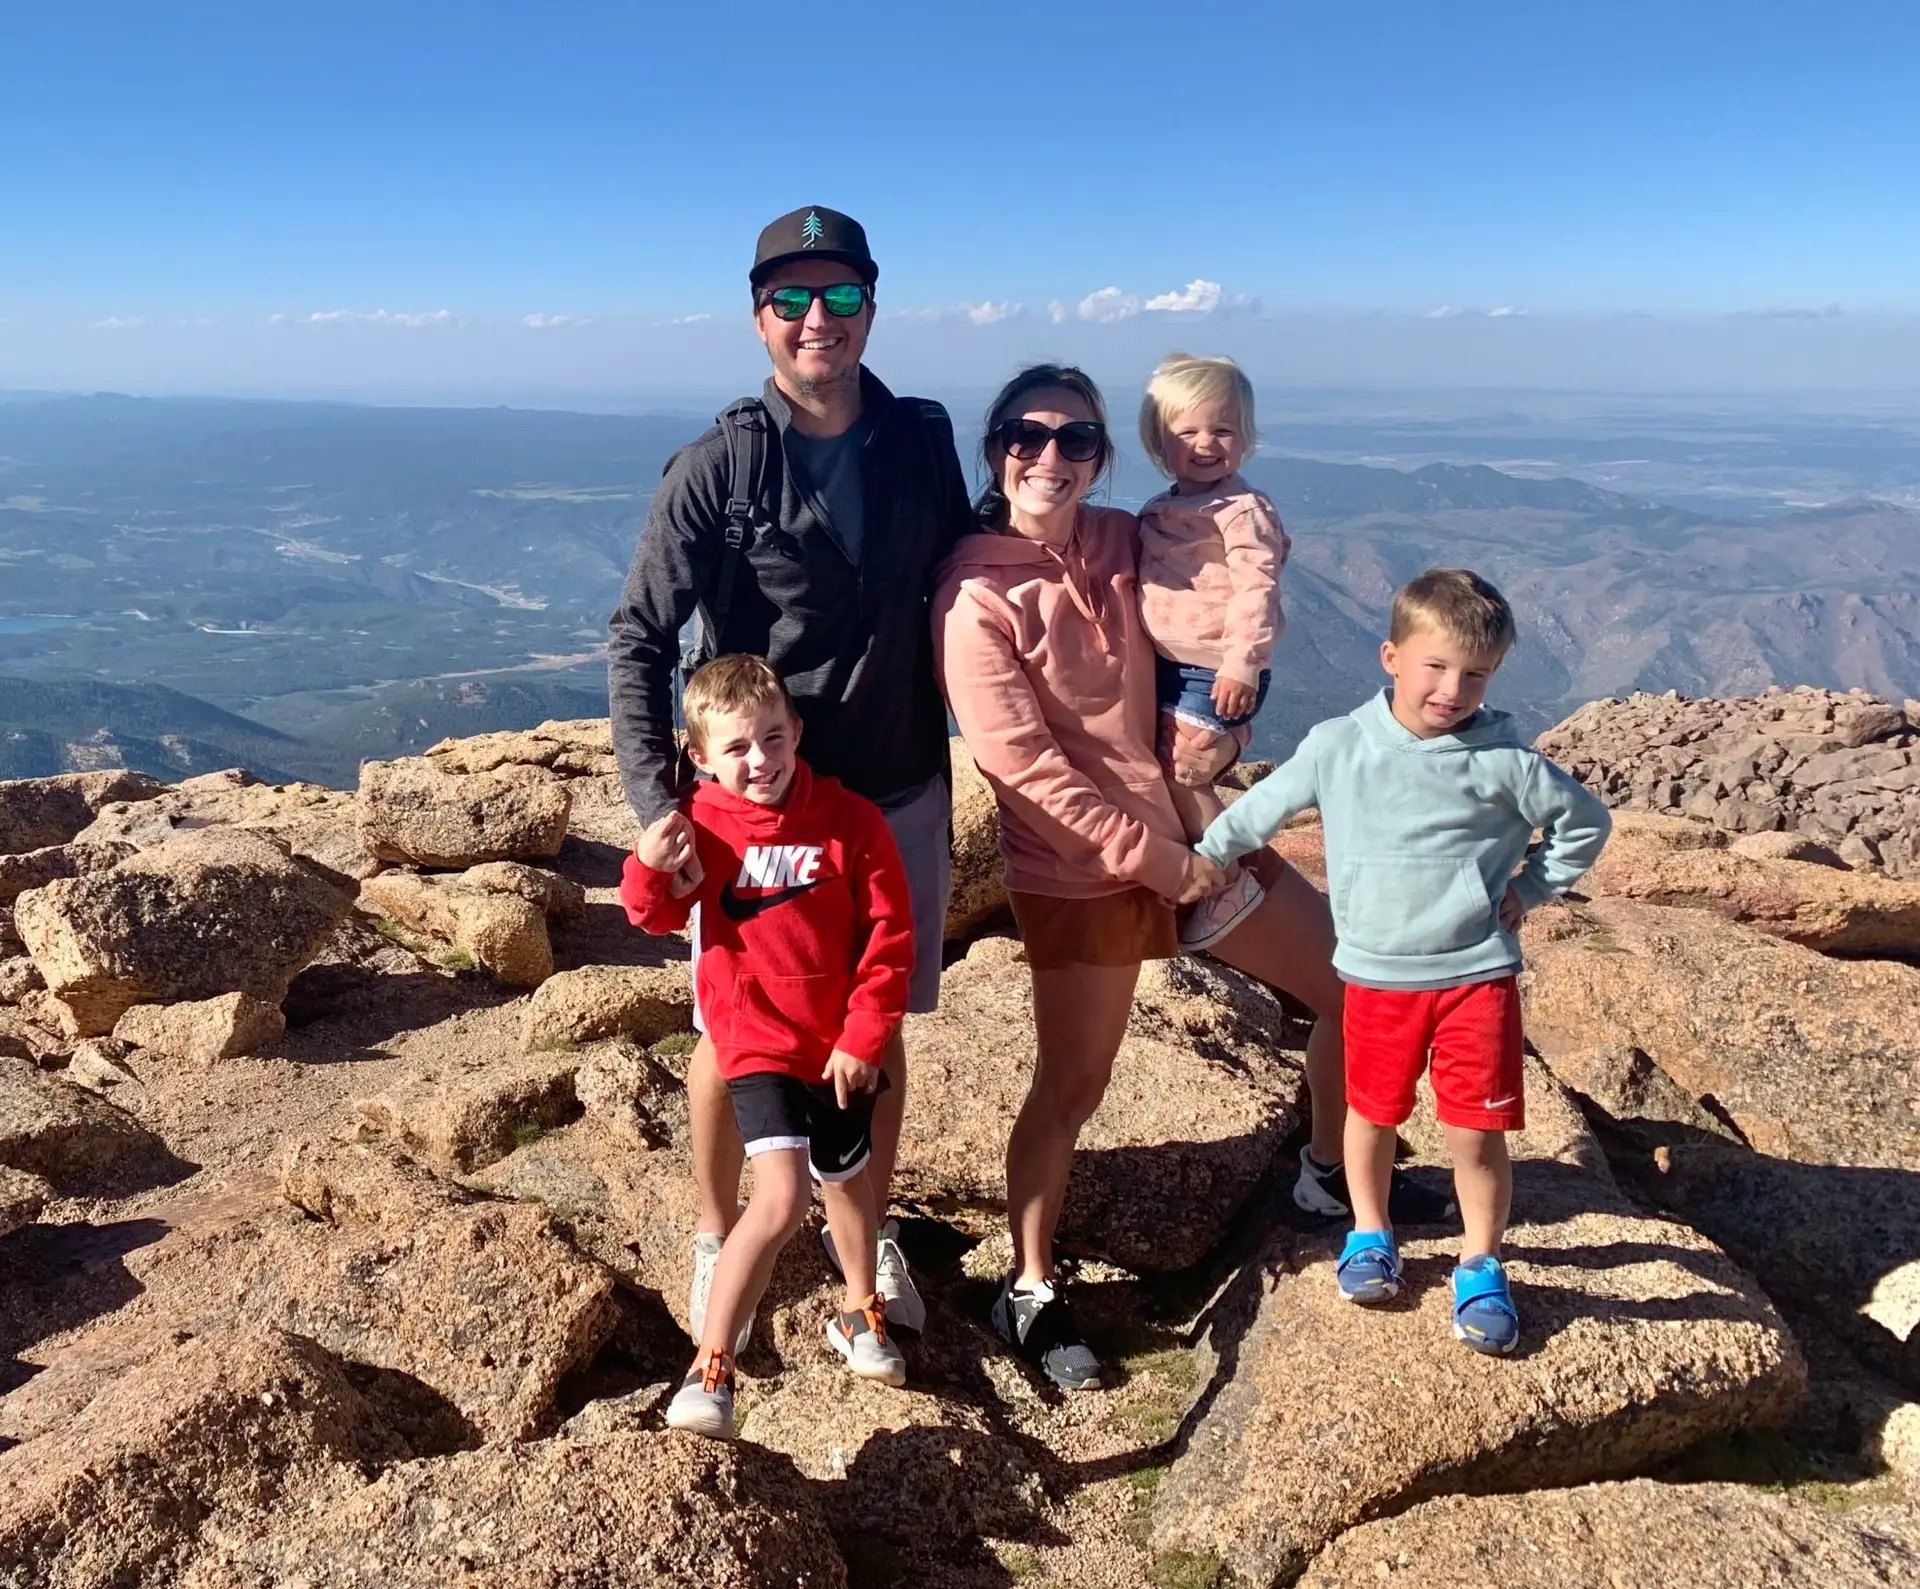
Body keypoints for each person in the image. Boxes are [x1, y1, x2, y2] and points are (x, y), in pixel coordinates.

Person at [608, 206, 975, 1348]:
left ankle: (860, 1217)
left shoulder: (921, 435)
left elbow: (965, 575)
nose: (820, 320)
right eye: (794, 300)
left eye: (844, 297)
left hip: (899, 780)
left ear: (874, 303)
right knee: (738, 1030)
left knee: (879, 1017)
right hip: (756, 801)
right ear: (759, 315)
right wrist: (661, 807)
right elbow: (639, 635)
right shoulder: (721, 464)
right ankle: (722, 1223)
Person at [1193, 569, 1612, 1354]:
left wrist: (1534, 886)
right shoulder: (1340, 745)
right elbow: (1260, 808)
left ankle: (1482, 1261)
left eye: (1476, 674)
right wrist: (1206, 857)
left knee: (1475, 1134)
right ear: (1392, 655)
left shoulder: (1505, 761)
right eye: (1436, 666)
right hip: (1376, 979)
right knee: (1371, 1114)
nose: (1453, 689)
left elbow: (1585, 823)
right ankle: (1370, 1231)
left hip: (1473, 978)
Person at [622, 655, 914, 1439]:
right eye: (738, 748)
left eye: (773, 738)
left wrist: (864, 1036)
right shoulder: (702, 824)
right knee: (782, 1196)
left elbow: (890, 939)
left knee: (851, 1185)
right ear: (703, 759)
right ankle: (708, 1366)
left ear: (798, 732)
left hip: (838, 1048)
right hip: (754, 1041)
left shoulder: (851, 821)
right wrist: (649, 866)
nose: (761, 760)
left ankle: (860, 1310)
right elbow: (650, 913)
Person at [1134, 352, 1290, 952]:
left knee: (1182, 770)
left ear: (1245, 439)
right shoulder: (1167, 506)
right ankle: (1231, 744)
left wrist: (1242, 662)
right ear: (1158, 442)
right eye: (1186, 432)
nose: (1206, 444)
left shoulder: (1241, 510)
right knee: (1154, 760)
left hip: (1215, 668)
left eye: (1222, 431)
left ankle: (1226, 879)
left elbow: (1259, 587)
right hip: (1176, 668)